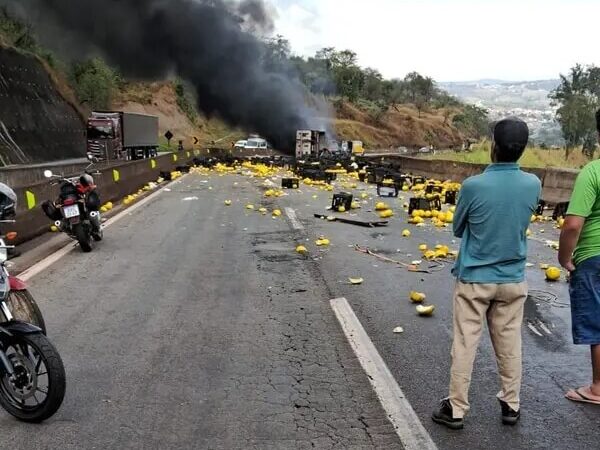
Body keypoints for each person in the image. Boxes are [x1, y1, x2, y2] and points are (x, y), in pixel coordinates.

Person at [432, 117, 542, 430]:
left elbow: (457, 228)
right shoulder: (533, 184)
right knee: (509, 343)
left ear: (493, 146)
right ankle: (511, 405)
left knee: (466, 343)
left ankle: (455, 409)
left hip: (475, 279)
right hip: (512, 278)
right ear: (523, 149)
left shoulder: (473, 185)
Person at [559, 108, 600, 405]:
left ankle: (597, 388)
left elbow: (573, 223)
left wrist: (565, 257)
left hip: (594, 257)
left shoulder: (593, 172)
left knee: (597, 321)